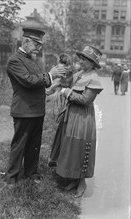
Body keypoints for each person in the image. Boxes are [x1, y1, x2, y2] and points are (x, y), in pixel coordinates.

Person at [3, 27, 66, 186]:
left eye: (40, 44)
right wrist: (51, 75)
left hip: (37, 110)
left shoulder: (31, 60)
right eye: (36, 44)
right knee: (20, 145)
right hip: (24, 111)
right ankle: (12, 178)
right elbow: (29, 81)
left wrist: (51, 86)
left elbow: (38, 83)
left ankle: (31, 173)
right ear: (25, 41)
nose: (39, 48)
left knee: (34, 144)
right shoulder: (14, 60)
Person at [48, 45, 103, 197]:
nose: (82, 61)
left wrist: (66, 92)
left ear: (93, 63)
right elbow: (67, 82)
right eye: (82, 58)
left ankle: (82, 182)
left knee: (80, 147)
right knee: (71, 146)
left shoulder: (94, 78)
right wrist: (62, 73)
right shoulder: (80, 73)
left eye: (86, 59)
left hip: (83, 118)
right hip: (72, 115)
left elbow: (85, 99)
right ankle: (73, 178)